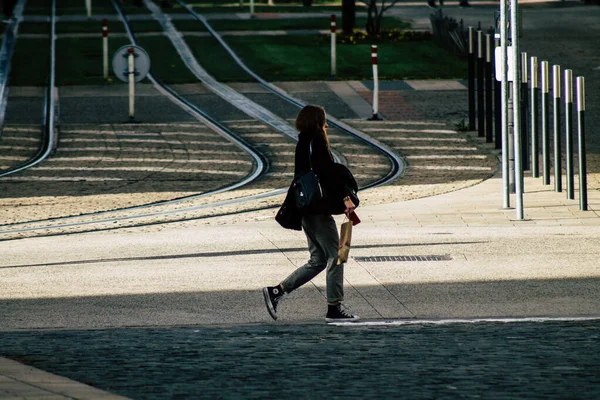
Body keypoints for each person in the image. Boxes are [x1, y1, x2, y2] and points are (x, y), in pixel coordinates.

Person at [263, 105, 360, 323]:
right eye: (324, 119)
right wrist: (346, 199)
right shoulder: (317, 140)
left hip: (305, 208)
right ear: (318, 121)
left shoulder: (302, 142)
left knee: (318, 260)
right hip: (318, 209)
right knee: (336, 256)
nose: (327, 123)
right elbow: (328, 175)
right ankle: (334, 308)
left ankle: (276, 292)